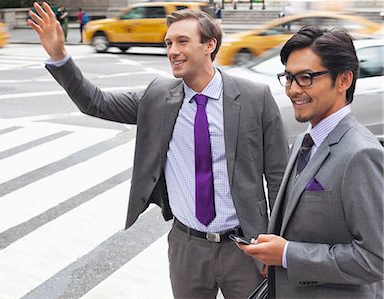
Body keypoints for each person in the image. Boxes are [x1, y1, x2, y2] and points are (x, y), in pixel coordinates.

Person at [28, 3, 289, 298]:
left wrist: (276, 241)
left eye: (182, 41)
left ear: (209, 45)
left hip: (245, 247)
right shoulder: (157, 98)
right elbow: (95, 102)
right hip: (187, 247)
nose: (172, 51)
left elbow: (279, 174)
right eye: (168, 43)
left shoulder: (255, 97)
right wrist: (60, 56)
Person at [237, 26, 384, 298]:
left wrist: (287, 254)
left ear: (343, 80)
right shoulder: (304, 141)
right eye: (289, 78)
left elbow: (375, 259)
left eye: (306, 78)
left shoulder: (361, 154)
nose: (293, 90)